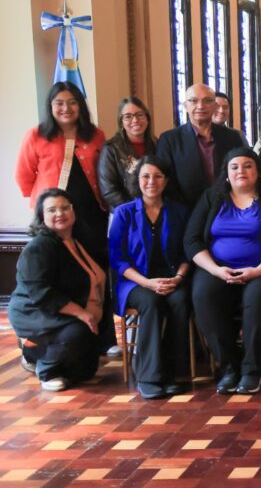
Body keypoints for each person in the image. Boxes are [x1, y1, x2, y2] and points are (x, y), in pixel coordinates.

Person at [186, 147, 261, 394]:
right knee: (203, 295)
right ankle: (229, 367)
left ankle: (251, 370)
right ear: (226, 173)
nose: (240, 171)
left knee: (258, 297)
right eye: (234, 167)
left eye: (247, 165)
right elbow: (191, 240)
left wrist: (258, 271)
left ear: (258, 172)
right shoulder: (212, 197)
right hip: (217, 269)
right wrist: (215, 270)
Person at [108, 157, 192, 398]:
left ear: (166, 181)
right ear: (137, 180)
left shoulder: (179, 211)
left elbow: (188, 252)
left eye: (157, 176)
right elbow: (117, 259)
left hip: (171, 278)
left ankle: (173, 373)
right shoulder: (124, 213)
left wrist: (178, 278)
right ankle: (148, 377)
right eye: (145, 176)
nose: (151, 181)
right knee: (151, 302)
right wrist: (147, 283)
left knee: (180, 301)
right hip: (135, 282)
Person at [9, 190, 105, 391]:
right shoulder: (39, 247)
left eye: (64, 208)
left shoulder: (78, 240)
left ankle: (38, 353)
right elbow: (41, 293)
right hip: (35, 311)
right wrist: (82, 313)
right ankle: (45, 368)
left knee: (87, 371)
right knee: (78, 332)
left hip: (65, 310)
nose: (60, 213)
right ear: (42, 215)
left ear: (73, 210)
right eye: (52, 210)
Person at [17, 81, 107, 236]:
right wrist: (42, 201)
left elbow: (105, 171)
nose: (66, 108)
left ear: (80, 106)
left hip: (92, 211)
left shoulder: (96, 134)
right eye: (59, 103)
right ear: (50, 106)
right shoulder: (36, 135)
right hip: (54, 215)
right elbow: (23, 175)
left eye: (73, 103)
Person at [156, 83, 246, 207]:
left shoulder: (232, 137)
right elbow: (165, 181)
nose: (200, 106)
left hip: (227, 207)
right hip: (186, 210)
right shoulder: (169, 140)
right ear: (185, 106)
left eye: (207, 101)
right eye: (193, 101)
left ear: (215, 106)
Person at [98, 96, 156, 210]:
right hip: (125, 212)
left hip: (154, 210)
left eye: (140, 114)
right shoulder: (111, 149)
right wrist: (136, 208)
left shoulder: (157, 144)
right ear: (121, 122)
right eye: (128, 116)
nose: (135, 120)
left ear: (147, 118)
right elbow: (109, 191)